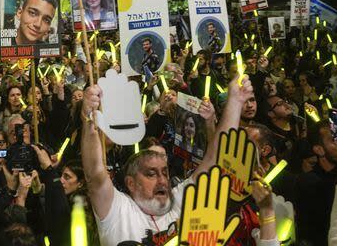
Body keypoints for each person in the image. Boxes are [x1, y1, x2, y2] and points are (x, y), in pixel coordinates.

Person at [81, 73, 253, 245]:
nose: (162, 180)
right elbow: (95, 175)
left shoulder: (179, 200)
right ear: (131, 183)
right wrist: (88, 119)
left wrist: (235, 102)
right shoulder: (118, 211)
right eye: (151, 174)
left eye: (164, 172)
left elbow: (215, 159)